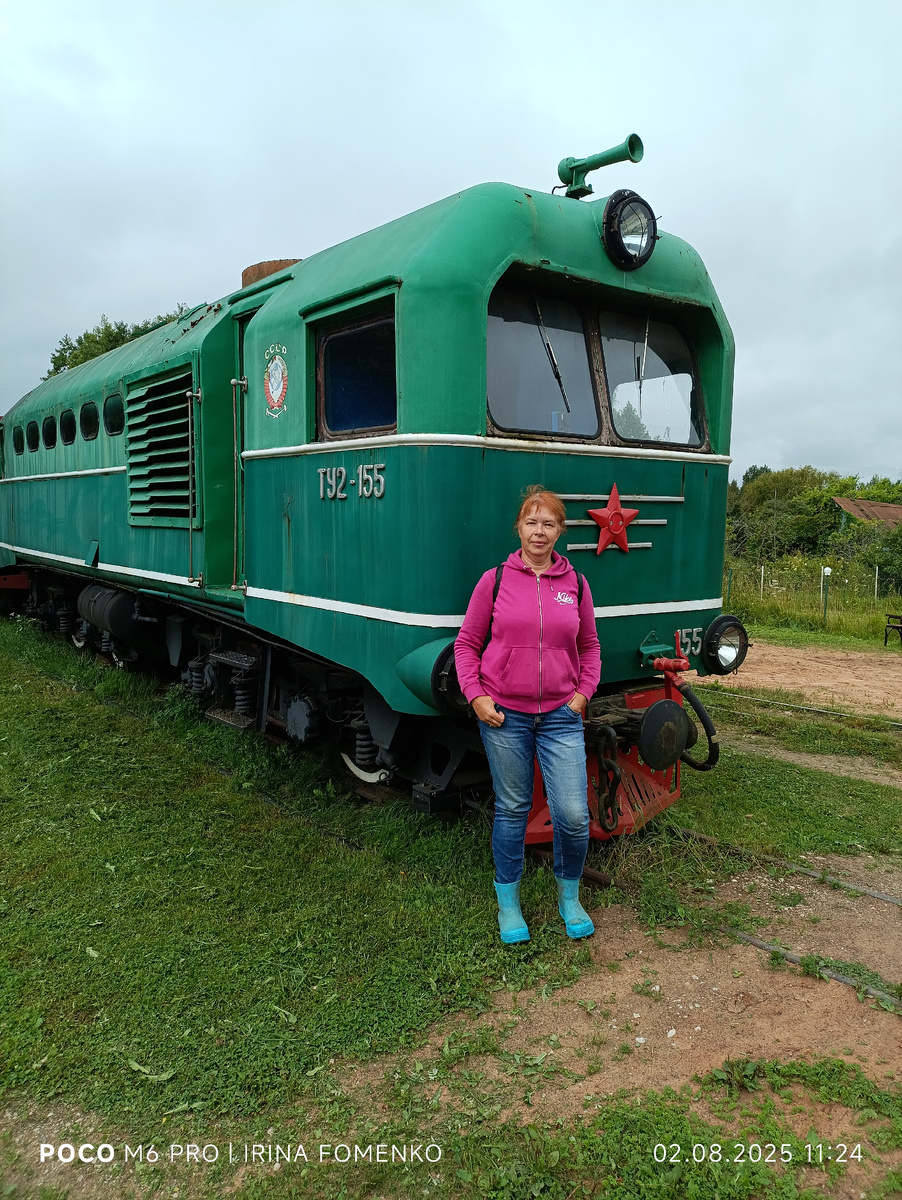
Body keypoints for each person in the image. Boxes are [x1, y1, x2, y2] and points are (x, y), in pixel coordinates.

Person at [455, 486, 601, 944]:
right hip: (504, 717)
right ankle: (509, 905)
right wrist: (476, 696)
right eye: (531, 522)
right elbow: (466, 644)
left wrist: (582, 695)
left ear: (560, 531)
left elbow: (590, 647)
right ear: (518, 527)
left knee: (574, 815)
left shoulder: (575, 584)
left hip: (561, 716)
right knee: (514, 808)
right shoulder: (494, 580)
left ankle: (569, 897)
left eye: (549, 523)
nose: (539, 532)